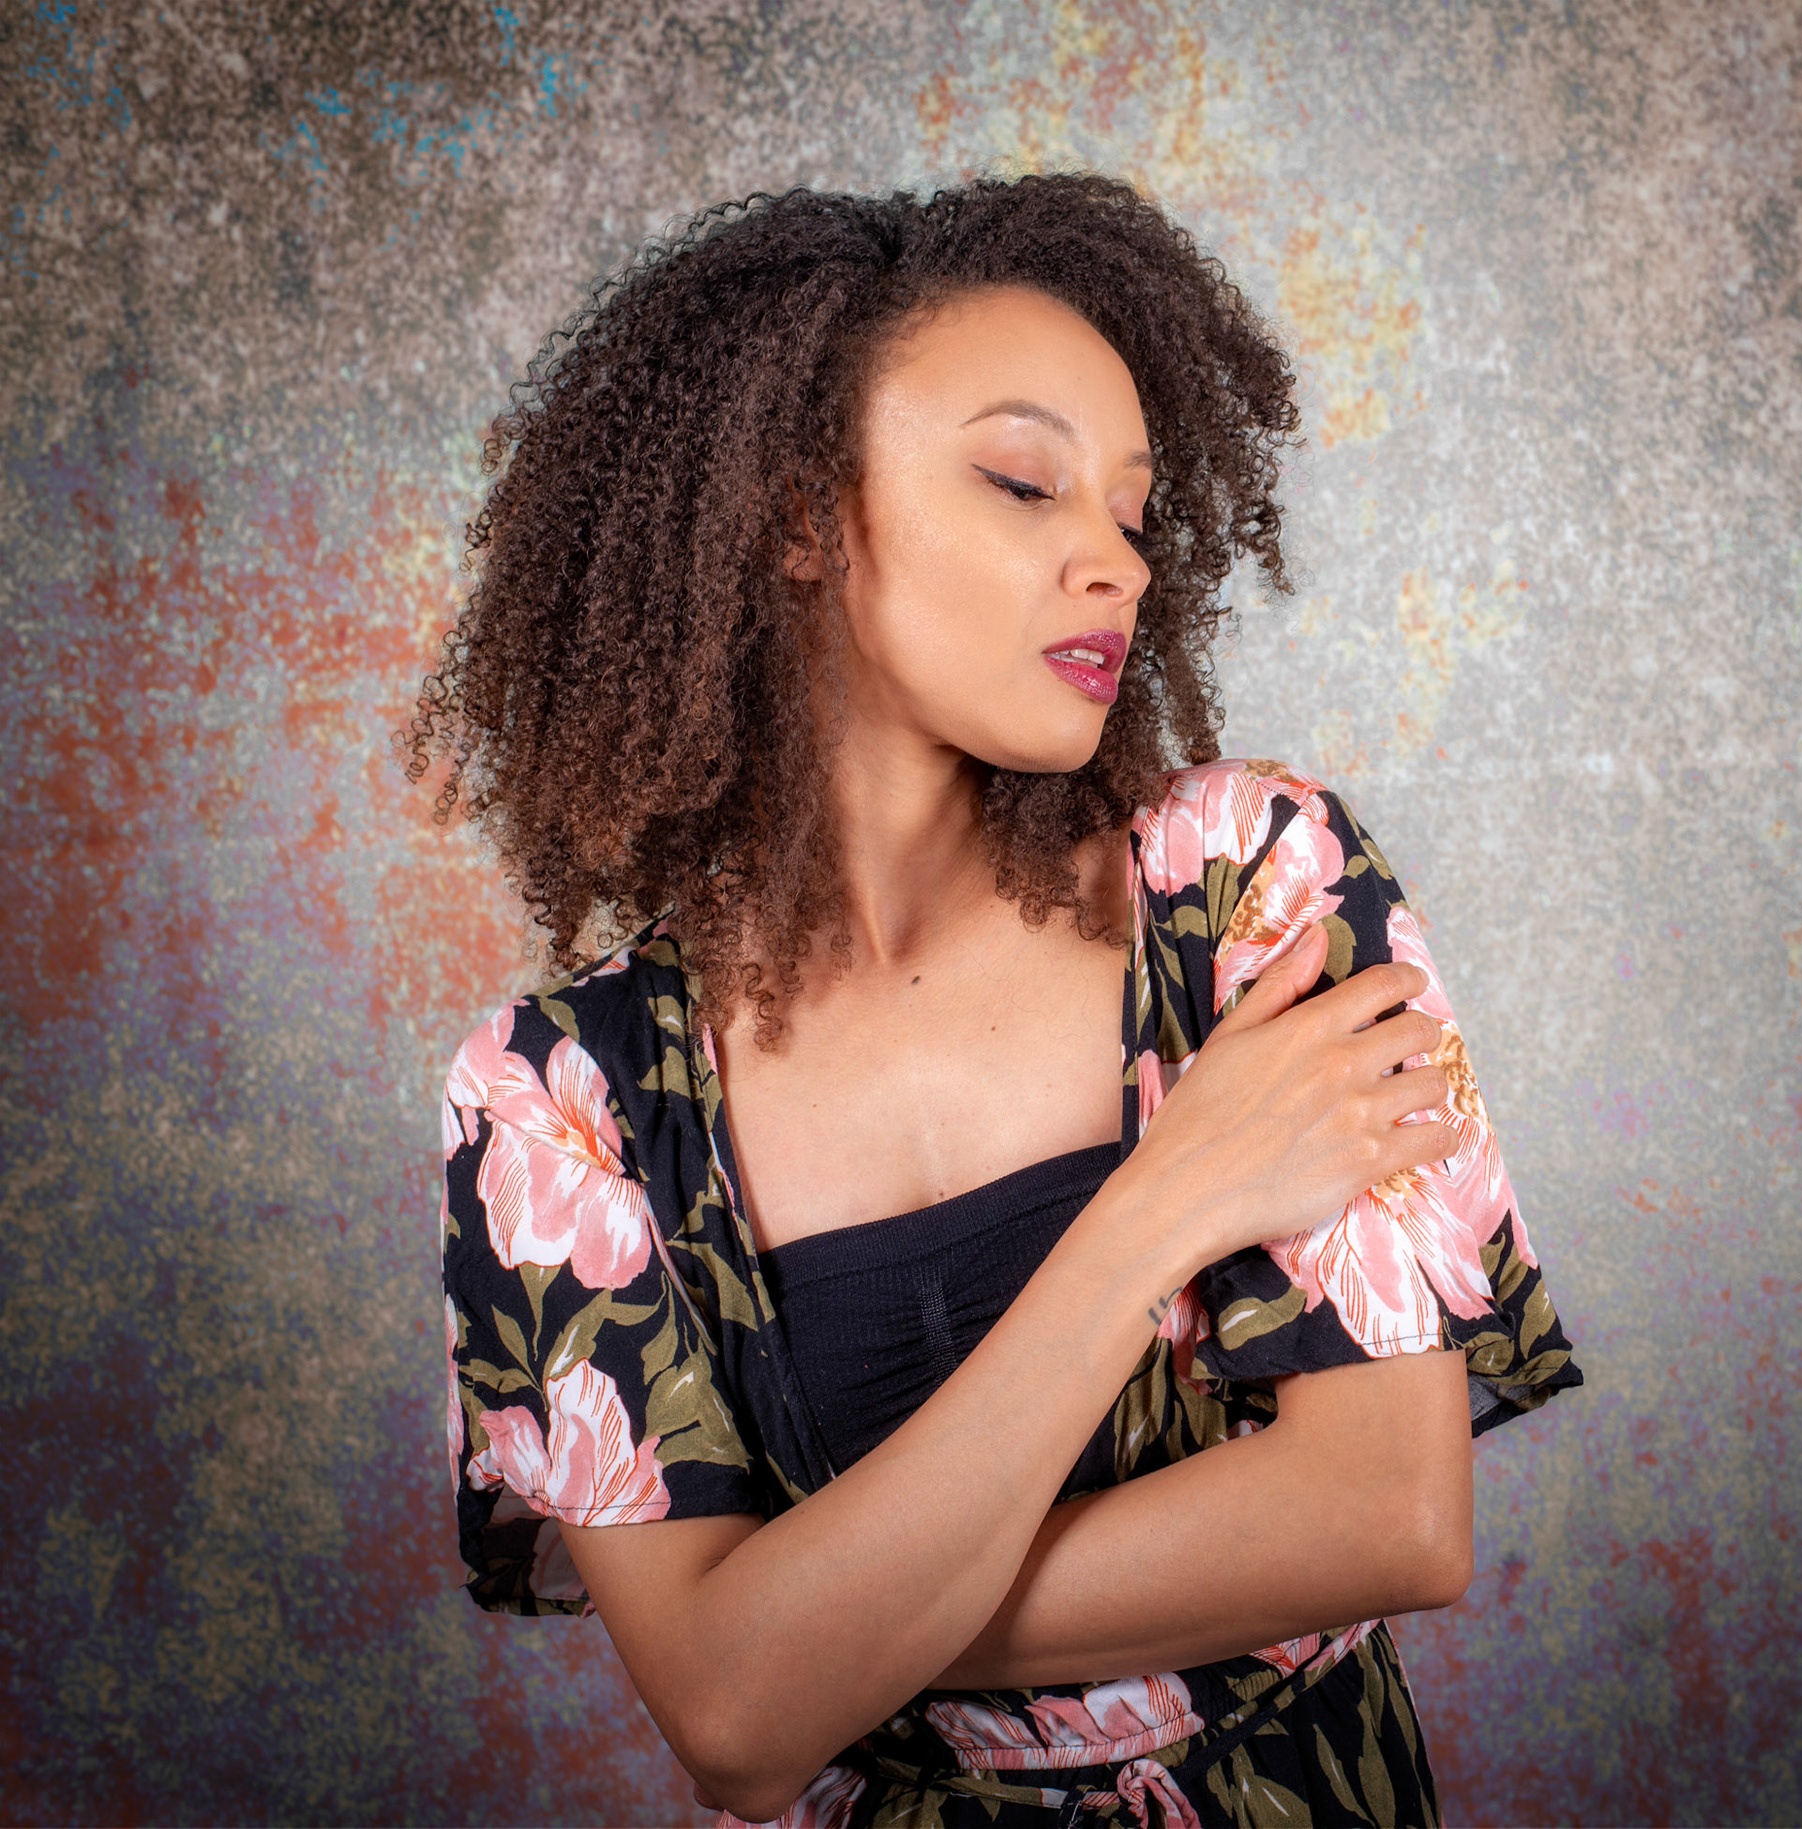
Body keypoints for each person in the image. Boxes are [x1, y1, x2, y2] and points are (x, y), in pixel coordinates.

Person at [408, 172, 1582, 1828]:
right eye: (1027, 484)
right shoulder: (556, 1100)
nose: (1115, 564)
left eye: (1133, 512)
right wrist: (1159, 1208)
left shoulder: (1248, 888)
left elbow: (1390, 1514)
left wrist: (821, 1632)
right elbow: (731, 1727)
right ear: (799, 516)